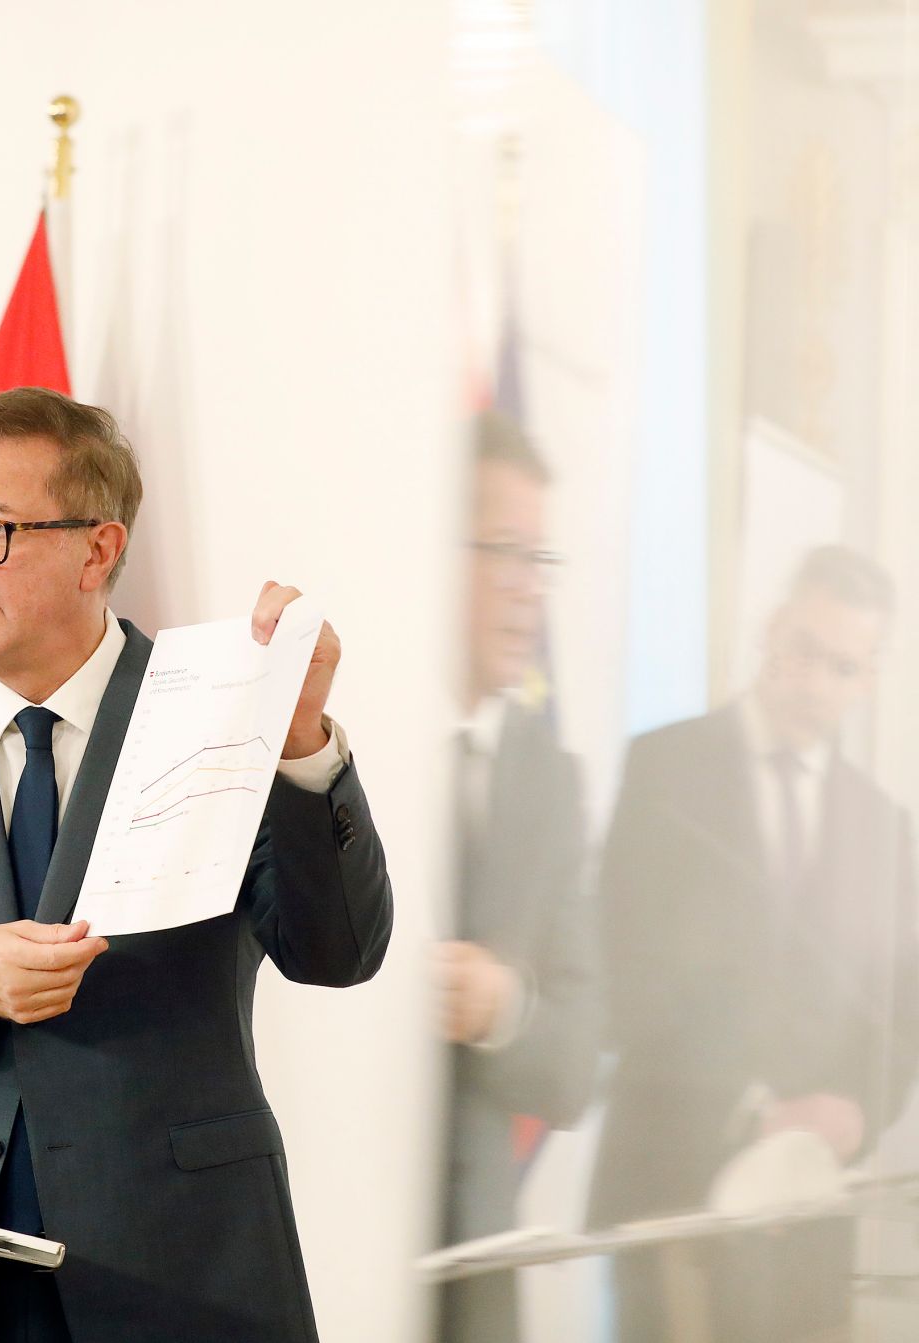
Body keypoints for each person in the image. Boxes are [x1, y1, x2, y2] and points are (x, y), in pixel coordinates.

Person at [0, 387, 394, 1343]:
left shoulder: (218, 710)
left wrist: (302, 736)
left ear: (98, 551)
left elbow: (338, 951)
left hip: (179, 1261)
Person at [589, 544, 919, 1341]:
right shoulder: (664, 765)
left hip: (806, 1216)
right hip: (674, 1189)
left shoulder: (884, 827)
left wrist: (854, 1112)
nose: (814, 681)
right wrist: (754, 1109)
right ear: (774, 629)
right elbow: (628, 975)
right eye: (804, 648)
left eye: (842, 666)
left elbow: (899, 1010)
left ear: (868, 678)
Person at [436, 410, 599, 1341]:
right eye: (505, 549)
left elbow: (578, 1064)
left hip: (472, 1281)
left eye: (543, 560)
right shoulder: (325, 742)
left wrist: (503, 1005)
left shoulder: (550, 778)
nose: (528, 591)